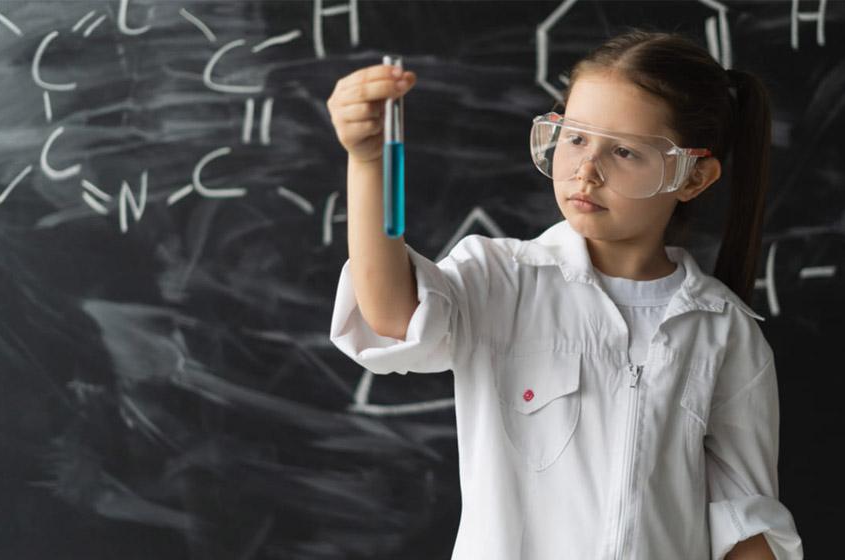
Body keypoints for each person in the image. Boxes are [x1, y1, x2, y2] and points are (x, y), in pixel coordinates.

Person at [327, 28, 803, 560]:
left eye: (624, 151)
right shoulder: (501, 280)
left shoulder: (722, 330)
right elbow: (392, 313)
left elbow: (744, 522)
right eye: (575, 137)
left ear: (692, 177)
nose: (586, 171)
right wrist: (368, 163)